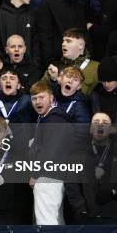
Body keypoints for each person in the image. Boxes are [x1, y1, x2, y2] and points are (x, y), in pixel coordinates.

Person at [66, 112, 117, 224]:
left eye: (105, 123)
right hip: (86, 216)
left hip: (114, 217)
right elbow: (71, 184)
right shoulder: (78, 153)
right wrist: (80, 209)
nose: (100, 125)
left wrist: (113, 192)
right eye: (96, 122)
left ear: (111, 129)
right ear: (91, 128)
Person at [29, 80, 73, 225]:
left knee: (46, 223)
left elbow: (50, 152)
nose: (37, 102)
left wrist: (35, 175)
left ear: (52, 98)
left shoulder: (54, 120)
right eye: (34, 99)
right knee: (55, 222)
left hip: (48, 178)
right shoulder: (48, 119)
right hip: (55, 177)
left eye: (41, 97)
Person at [37, 0, 87, 67]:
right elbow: (45, 38)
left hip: (80, 63)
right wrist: (51, 64)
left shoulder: (78, 5)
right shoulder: (48, 5)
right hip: (57, 64)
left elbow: (84, 34)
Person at [43, 28, 99, 95]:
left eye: (68, 41)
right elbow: (38, 91)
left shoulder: (96, 68)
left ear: (81, 45)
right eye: (63, 41)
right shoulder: (55, 67)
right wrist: (53, 80)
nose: (63, 44)